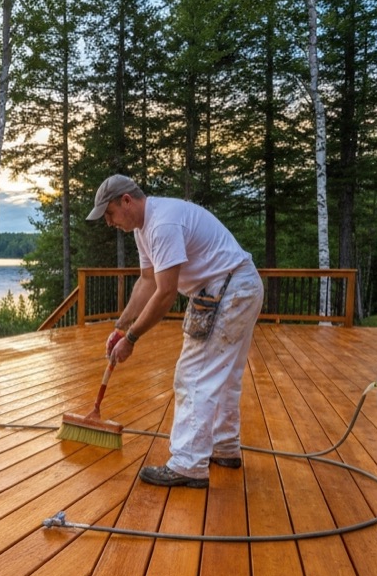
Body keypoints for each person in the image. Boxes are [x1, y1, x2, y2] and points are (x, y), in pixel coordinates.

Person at [87, 174, 263, 488]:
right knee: (223, 374)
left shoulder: (163, 224)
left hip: (228, 289)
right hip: (236, 286)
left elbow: (166, 293)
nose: (109, 222)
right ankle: (224, 447)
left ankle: (187, 464)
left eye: (109, 213)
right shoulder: (144, 229)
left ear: (126, 200)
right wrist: (120, 326)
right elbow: (148, 282)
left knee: (193, 374)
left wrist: (132, 339)